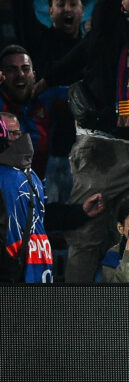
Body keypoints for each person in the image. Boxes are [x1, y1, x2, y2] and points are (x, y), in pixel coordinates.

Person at [38, 0, 129, 282]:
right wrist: (44, 82)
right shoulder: (109, 28)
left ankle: (125, 316)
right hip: (101, 150)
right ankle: (74, 316)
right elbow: (78, 55)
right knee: (86, 238)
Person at [0, 45, 72, 181]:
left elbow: (86, 91)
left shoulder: (47, 99)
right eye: (11, 70)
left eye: (25, 69)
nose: (20, 74)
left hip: (40, 187)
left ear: (34, 75)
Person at [0, 113, 53, 283]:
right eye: (5, 133)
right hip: (38, 263)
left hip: (11, 266)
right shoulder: (32, 176)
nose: (10, 139)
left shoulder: (29, 177)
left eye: (15, 133)